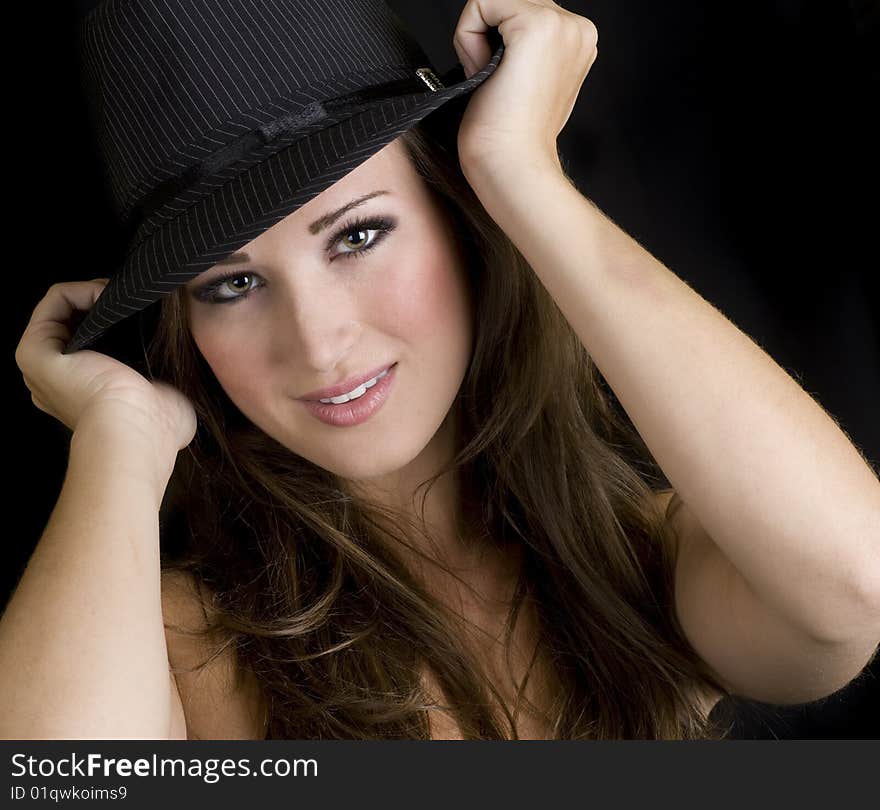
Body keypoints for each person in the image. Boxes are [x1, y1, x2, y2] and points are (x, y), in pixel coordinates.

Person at [5, 0, 880, 740]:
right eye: (232, 283)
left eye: (357, 235)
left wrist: (520, 175)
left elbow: (854, 585)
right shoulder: (171, 636)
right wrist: (121, 437)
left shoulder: (639, 566)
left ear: (461, 220)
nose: (316, 343)